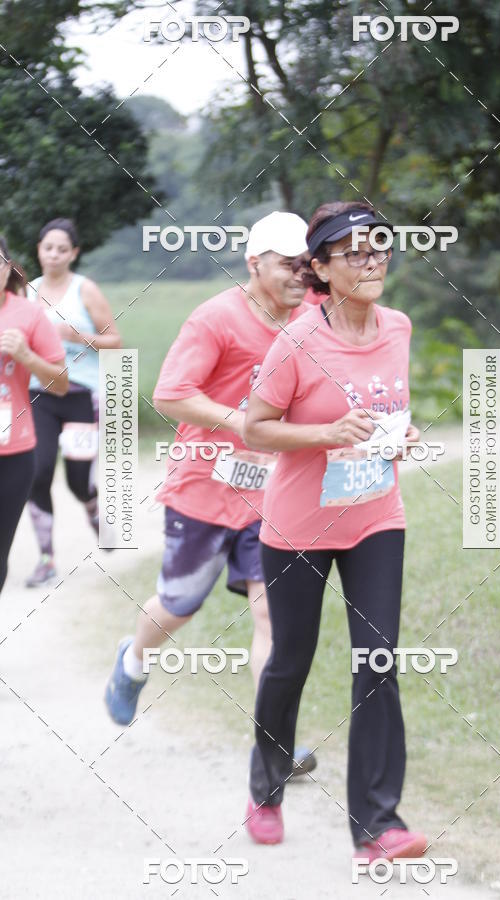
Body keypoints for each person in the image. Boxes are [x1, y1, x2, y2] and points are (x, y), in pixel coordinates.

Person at [242, 201, 427, 862]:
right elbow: (255, 427)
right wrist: (324, 434)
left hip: (377, 516)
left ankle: (378, 826)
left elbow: (387, 407)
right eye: (353, 251)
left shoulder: (398, 327)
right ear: (319, 266)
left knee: (378, 664)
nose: (371, 259)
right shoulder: (297, 340)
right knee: (290, 662)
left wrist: (399, 434)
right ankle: (265, 788)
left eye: (379, 246)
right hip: (297, 528)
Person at [104, 212, 317, 776]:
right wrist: (240, 421)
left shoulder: (314, 317)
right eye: (288, 264)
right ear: (255, 263)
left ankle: (275, 742)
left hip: (272, 494)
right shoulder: (217, 319)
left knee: (271, 612)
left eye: (306, 263)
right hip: (203, 486)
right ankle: (134, 659)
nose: (301, 274)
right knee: (179, 605)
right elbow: (170, 393)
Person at [25, 218, 122, 586]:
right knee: (38, 471)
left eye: (62, 249)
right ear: (39, 250)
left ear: (74, 253)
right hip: (41, 393)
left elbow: (116, 341)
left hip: (81, 395)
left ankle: (94, 510)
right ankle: (46, 558)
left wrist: (78, 336)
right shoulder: (28, 292)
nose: (54, 255)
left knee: (78, 480)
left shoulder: (86, 290)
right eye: (48, 248)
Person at [0, 236, 68, 596]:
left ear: (8, 268)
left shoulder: (27, 314)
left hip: (11, 454)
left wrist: (26, 356)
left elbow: (59, 384)